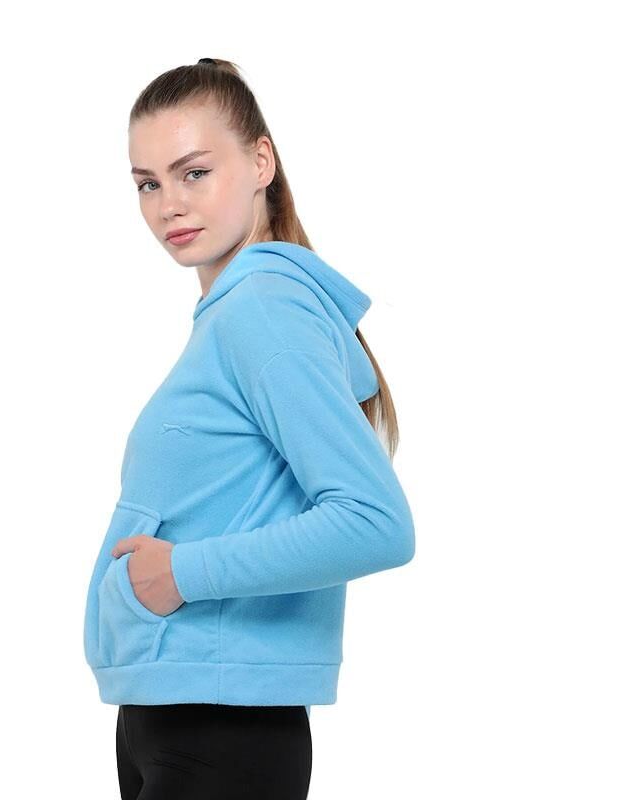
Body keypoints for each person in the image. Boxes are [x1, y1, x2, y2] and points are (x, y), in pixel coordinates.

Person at [83, 57, 416, 800]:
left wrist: (181, 574)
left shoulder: (262, 307)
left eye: (194, 173)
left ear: (261, 161)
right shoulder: (234, 313)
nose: (169, 205)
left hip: (220, 726)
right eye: (147, 183)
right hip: (174, 709)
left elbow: (376, 523)